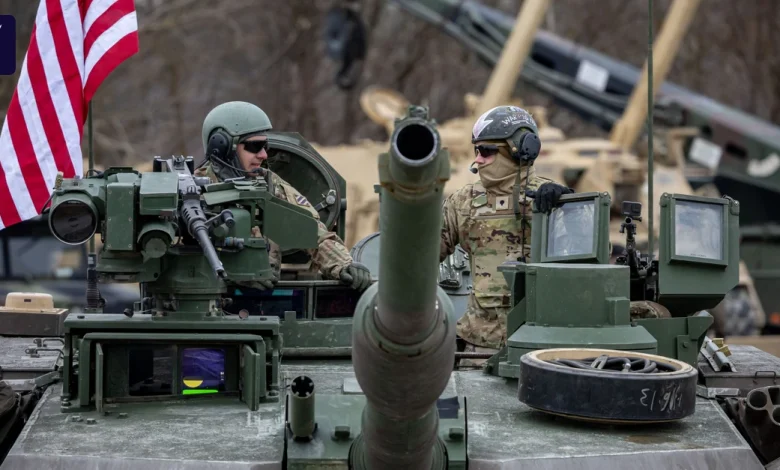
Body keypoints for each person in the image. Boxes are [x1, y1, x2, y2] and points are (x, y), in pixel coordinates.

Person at [439, 105, 574, 366]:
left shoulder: (553, 200)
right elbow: (423, 257)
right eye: (476, 151)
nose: (478, 160)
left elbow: (590, 264)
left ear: (519, 150)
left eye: (486, 151)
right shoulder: (463, 202)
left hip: (542, 349)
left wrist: (571, 213)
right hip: (478, 349)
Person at [194, 101, 371, 292]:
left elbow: (313, 232)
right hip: (208, 298)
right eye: (255, 146)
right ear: (222, 146)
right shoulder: (193, 192)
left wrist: (344, 265)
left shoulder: (268, 183)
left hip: (264, 297)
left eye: (265, 146)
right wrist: (235, 273)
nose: (263, 155)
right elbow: (178, 255)